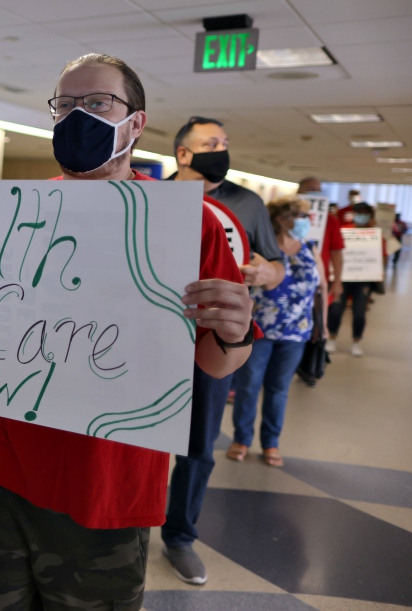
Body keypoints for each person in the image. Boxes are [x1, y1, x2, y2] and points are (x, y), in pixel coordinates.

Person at [0, 54, 255, 610]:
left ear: (136, 122)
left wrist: (235, 331)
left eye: (98, 104)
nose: (79, 117)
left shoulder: (183, 223)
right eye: (66, 105)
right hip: (7, 472)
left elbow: (219, 363)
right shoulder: (12, 210)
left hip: (108, 487)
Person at [160, 116, 286, 585]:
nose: (222, 149)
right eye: (211, 143)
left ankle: (180, 536)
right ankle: (126, 522)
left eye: (225, 143)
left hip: (215, 341)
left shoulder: (247, 203)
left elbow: (277, 266)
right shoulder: (154, 196)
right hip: (154, 336)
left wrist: (264, 274)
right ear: (184, 153)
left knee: (199, 445)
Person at [229, 197, 324, 468]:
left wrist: (323, 325)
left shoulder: (310, 248)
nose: (306, 221)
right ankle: (242, 439)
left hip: (297, 331)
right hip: (259, 328)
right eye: (299, 215)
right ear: (281, 219)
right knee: (248, 386)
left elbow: (322, 287)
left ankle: (271, 443)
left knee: (278, 389)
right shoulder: (261, 249)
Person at [328, 200, 377, 357]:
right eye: (359, 213)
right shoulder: (344, 230)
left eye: (365, 214)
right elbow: (335, 251)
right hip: (342, 277)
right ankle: (332, 337)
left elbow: (381, 257)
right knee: (335, 310)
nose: (361, 216)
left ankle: (356, 341)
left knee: (359, 313)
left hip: (363, 280)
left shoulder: (375, 235)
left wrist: (379, 272)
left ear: (370, 216)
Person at [298, 178, 344, 316]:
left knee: (316, 319)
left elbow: (337, 252)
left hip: (318, 280)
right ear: (299, 192)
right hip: (286, 277)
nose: (316, 194)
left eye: (318, 191)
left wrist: (337, 281)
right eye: (311, 189)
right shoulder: (283, 217)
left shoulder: (331, 221)